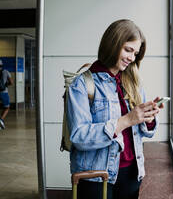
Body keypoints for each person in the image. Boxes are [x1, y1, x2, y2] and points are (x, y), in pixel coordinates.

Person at [67, 19, 164, 199]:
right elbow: (79, 137)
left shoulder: (133, 82)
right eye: (128, 50)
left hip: (132, 174)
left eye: (135, 53)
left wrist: (148, 119)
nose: (131, 58)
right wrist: (127, 120)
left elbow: (143, 132)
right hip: (96, 178)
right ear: (113, 44)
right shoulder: (82, 84)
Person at [0, 59, 13, 130]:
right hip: (4, 92)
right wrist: (6, 84)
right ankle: (1, 119)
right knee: (7, 107)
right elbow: (11, 82)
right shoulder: (5, 72)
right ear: (2, 65)